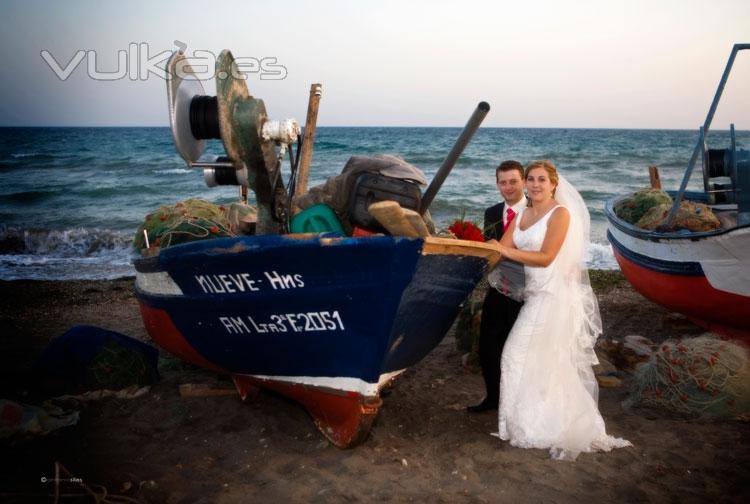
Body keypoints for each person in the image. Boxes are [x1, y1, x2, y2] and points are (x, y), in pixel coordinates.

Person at [492, 160, 631, 460]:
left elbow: (545, 258)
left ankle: (535, 426)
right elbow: (499, 249)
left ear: (554, 183)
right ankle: (522, 425)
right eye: (531, 179)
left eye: (542, 179)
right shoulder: (522, 214)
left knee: (516, 354)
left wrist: (503, 250)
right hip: (534, 296)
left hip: (553, 297)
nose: (536, 184)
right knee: (538, 361)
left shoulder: (560, 214)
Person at [467, 160, 527, 413]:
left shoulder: (537, 212)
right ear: (497, 184)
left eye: (513, 181)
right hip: (498, 288)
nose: (508, 187)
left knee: (518, 349)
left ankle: (517, 403)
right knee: (488, 346)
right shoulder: (491, 213)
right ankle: (493, 398)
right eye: (503, 182)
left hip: (528, 292)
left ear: (524, 181)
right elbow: (490, 252)